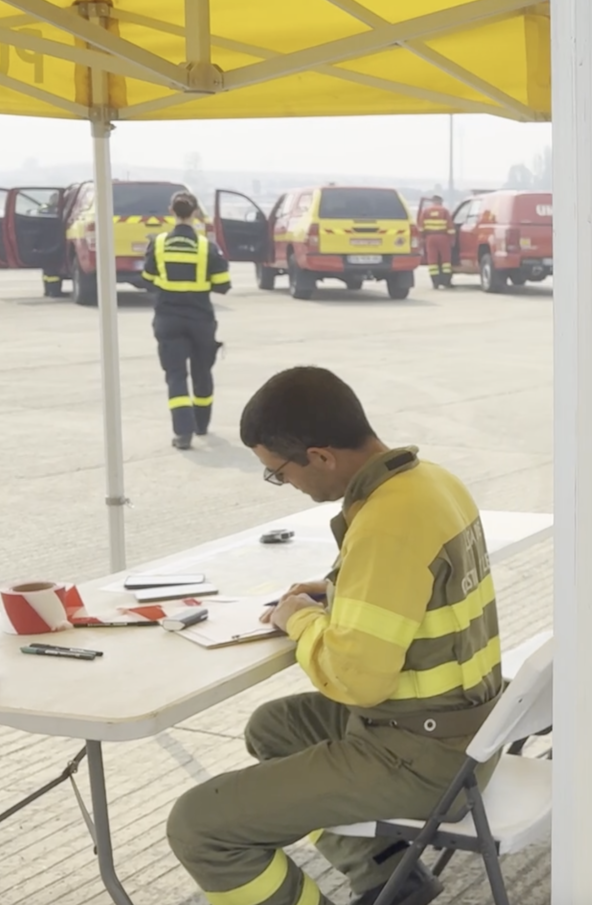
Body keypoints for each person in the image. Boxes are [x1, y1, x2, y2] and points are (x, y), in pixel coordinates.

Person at [167, 366, 503, 905]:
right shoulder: (432, 482)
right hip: (467, 730)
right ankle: (389, 880)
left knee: (198, 826)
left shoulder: (386, 522)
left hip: (420, 755)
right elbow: (420, 586)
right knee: (275, 726)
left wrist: (296, 617)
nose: (286, 485)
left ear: (320, 456)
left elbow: (354, 679)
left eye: (279, 473)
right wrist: (336, 591)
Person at [140, 191, 230, 450]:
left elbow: (147, 280)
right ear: (195, 213)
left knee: (176, 376)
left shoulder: (158, 244)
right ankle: (201, 425)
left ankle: (183, 433)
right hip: (200, 319)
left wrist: (167, 285)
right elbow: (223, 285)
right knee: (202, 372)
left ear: (172, 211)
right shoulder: (206, 247)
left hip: (168, 318)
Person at [419, 196, 455, 288]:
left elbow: (421, 227)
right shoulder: (444, 211)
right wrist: (452, 239)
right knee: (446, 260)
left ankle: (435, 283)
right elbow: (450, 227)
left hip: (430, 238)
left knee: (432, 261)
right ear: (440, 201)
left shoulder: (426, 211)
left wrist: (422, 239)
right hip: (443, 237)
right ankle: (446, 282)